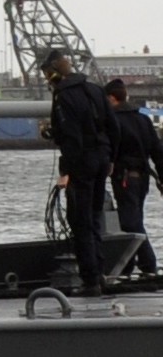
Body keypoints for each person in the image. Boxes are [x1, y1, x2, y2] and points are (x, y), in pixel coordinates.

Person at [41, 49, 120, 296]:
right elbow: (113, 127)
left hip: (82, 163)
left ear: (53, 71)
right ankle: (102, 274)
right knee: (96, 218)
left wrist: (66, 171)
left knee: (80, 221)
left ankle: (90, 282)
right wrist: (111, 159)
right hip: (101, 159)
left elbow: (72, 137)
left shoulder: (63, 96)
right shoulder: (96, 90)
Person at [106, 78, 163, 277]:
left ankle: (148, 264)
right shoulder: (143, 120)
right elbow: (157, 151)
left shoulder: (113, 121)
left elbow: (108, 149)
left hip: (124, 177)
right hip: (143, 178)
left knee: (130, 222)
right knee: (134, 218)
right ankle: (127, 266)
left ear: (112, 99)